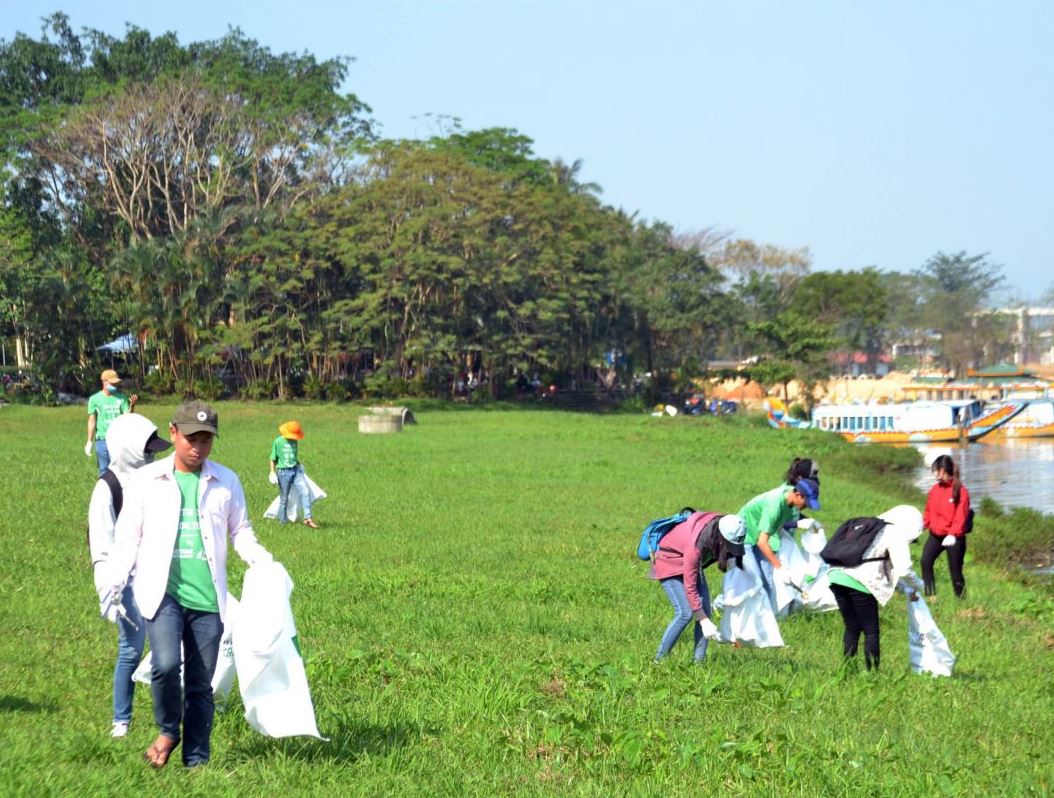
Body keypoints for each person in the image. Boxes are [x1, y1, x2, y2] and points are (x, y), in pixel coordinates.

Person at [104, 400, 273, 768]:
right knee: (165, 665)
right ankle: (168, 729)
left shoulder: (226, 481)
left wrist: (260, 558)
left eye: (206, 440)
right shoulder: (147, 481)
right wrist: (114, 581)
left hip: (208, 599)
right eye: (191, 439)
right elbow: (128, 537)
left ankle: (196, 762)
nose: (198, 448)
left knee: (201, 684)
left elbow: (240, 530)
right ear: (174, 433)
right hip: (162, 593)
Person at [88, 413, 172, 738]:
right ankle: (121, 719)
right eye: (147, 451)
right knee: (131, 649)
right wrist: (109, 590)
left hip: (158, 574)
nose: (152, 457)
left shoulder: (155, 480)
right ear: (128, 450)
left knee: (166, 649)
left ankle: (167, 716)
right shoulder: (107, 489)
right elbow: (101, 544)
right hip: (124, 583)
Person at [826, 505, 926, 671]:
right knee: (871, 630)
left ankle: (847, 671)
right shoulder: (894, 532)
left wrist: (907, 590)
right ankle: (872, 674)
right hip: (860, 581)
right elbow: (904, 569)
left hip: (836, 575)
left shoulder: (869, 526)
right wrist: (919, 585)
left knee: (852, 627)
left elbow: (885, 570)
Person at [651, 512, 746, 663]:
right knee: (685, 613)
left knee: (705, 611)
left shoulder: (723, 525)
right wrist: (703, 622)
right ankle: (658, 661)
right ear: (721, 538)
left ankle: (698, 664)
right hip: (669, 560)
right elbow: (690, 588)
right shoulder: (696, 547)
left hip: (690, 563)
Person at [738, 477, 821, 611]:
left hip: (758, 536)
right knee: (753, 580)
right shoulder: (775, 505)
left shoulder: (789, 498)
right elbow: (762, 542)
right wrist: (780, 568)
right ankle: (722, 606)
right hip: (743, 537)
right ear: (798, 494)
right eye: (806, 502)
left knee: (767, 583)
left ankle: (765, 619)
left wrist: (806, 522)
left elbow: (777, 525)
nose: (807, 506)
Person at [921, 454, 971, 598]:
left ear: (943, 470)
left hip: (954, 538)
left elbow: (960, 517)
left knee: (955, 572)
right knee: (925, 561)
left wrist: (952, 534)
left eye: (936, 470)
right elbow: (929, 512)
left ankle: (962, 600)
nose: (934, 473)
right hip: (936, 535)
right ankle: (931, 597)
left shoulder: (961, 492)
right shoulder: (935, 490)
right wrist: (922, 526)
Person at [86, 369, 139, 477]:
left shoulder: (122, 398)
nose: (115, 385)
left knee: (120, 471)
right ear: (104, 382)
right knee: (104, 471)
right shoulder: (94, 399)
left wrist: (132, 406)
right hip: (102, 440)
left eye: (116, 383)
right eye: (112, 383)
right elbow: (92, 421)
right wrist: (89, 441)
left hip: (118, 440)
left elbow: (126, 417)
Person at [269, 420, 319, 529]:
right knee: (284, 498)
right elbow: (273, 458)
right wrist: (272, 472)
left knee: (305, 492)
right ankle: (283, 522)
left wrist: (299, 465)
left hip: (296, 471)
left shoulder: (295, 441)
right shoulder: (278, 442)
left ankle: (308, 519)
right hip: (283, 473)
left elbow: (293, 456)